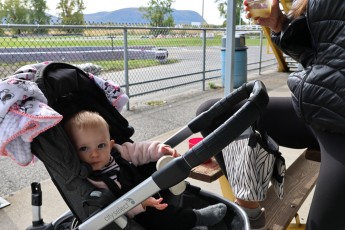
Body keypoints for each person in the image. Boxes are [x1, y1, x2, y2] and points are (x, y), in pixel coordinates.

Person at [197, 0, 345, 229]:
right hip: (315, 109)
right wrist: (280, 24)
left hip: (340, 130)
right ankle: (250, 208)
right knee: (214, 115)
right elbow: (323, 55)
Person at [64, 110, 227, 230]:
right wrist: (140, 204)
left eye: (101, 145)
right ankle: (197, 219)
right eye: (84, 148)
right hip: (133, 213)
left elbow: (141, 150)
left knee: (160, 167)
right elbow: (108, 209)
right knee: (165, 218)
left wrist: (160, 150)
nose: (94, 153)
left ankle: (181, 202)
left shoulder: (118, 152)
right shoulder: (90, 179)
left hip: (147, 191)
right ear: (73, 152)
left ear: (111, 144)